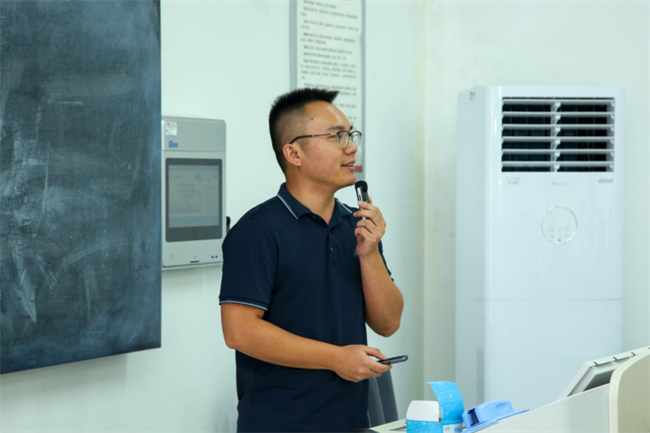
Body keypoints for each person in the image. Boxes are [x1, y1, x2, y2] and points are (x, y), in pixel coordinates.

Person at [219, 88, 404, 433]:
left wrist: (370, 254)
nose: (351, 147)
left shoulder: (357, 225)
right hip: (280, 423)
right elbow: (239, 331)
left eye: (351, 134)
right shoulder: (258, 230)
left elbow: (388, 323)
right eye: (336, 136)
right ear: (294, 153)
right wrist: (337, 358)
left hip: (351, 419)